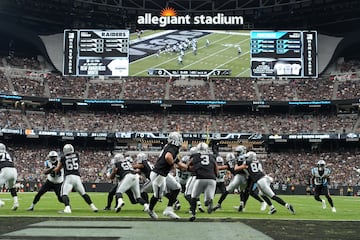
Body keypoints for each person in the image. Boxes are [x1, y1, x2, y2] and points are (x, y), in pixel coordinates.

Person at [146, 132, 187, 219]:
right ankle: (150, 209)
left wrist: (187, 167)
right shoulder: (172, 147)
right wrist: (173, 164)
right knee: (158, 196)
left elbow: (178, 162)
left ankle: (168, 209)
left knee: (176, 187)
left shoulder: (172, 148)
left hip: (163, 174)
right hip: (158, 174)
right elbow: (168, 157)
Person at [54, 144, 98, 213]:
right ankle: (93, 207)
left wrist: (55, 168)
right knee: (83, 194)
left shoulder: (63, 158)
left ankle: (67, 208)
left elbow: (57, 169)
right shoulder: (76, 155)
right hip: (77, 177)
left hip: (69, 177)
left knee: (63, 194)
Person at [187, 142, 218, 221]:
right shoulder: (212, 156)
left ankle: (193, 214)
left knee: (194, 197)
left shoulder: (196, 156)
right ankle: (209, 202)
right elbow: (216, 170)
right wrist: (215, 175)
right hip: (211, 179)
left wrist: (193, 169)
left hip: (200, 178)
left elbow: (189, 165)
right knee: (208, 199)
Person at [0, 143, 19, 210]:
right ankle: (16, 203)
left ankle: (0, 202)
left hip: (5, 170)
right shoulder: (8, 154)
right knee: (12, 187)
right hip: (14, 170)